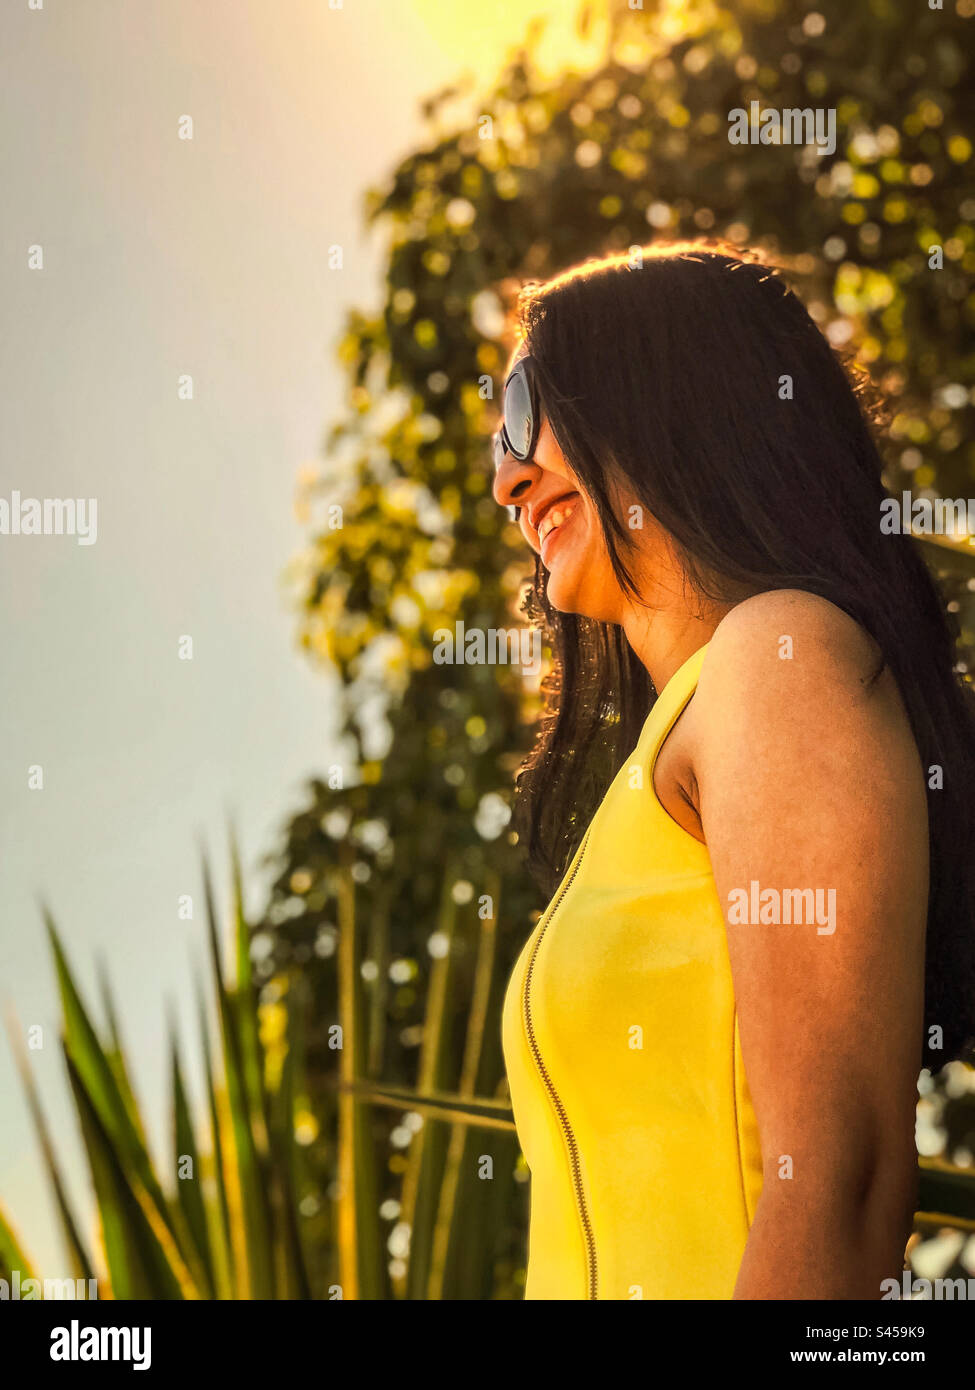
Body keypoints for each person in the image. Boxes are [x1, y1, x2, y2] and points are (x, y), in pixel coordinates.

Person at [490, 241, 975, 1300]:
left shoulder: (781, 654)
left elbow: (837, 1178)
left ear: (663, 393)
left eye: (527, 408)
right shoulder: (685, 735)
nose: (507, 477)